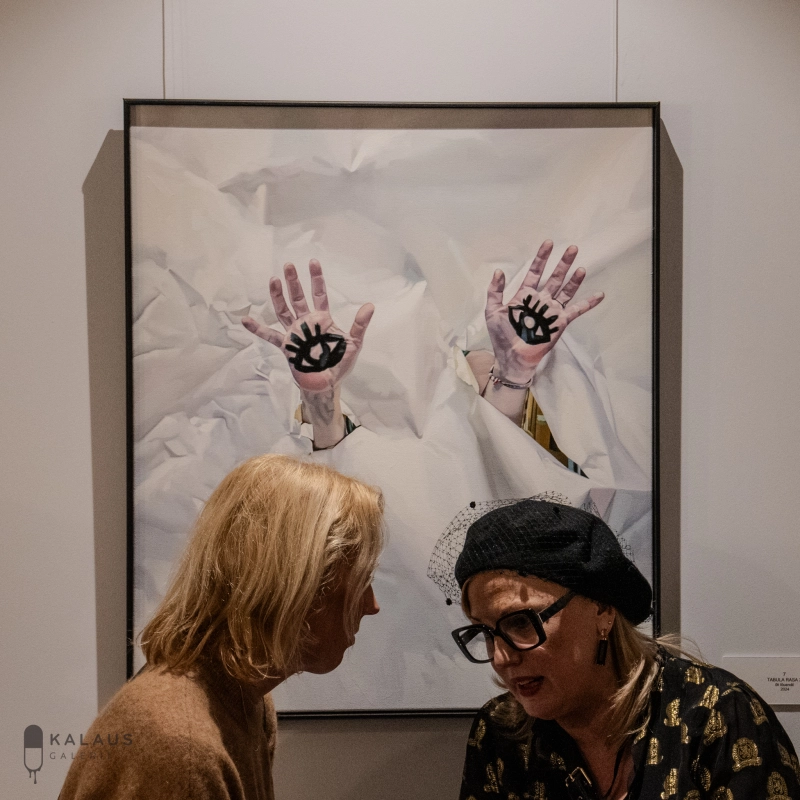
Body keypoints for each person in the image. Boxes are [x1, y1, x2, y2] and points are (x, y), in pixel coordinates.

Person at [59, 454, 384, 800]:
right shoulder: (181, 748)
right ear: (297, 585)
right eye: (361, 579)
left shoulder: (244, 701)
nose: (372, 605)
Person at [445, 499, 799, 800]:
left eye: (522, 622)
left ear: (602, 610)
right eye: (485, 632)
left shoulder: (715, 716)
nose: (501, 658)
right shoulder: (502, 731)